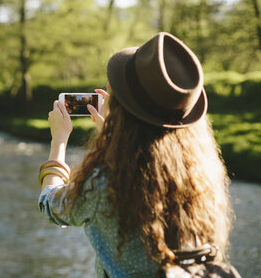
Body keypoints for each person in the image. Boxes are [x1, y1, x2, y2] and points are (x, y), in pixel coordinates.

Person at [38, 32, 233, 277]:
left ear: (122, 111)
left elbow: (51, 205)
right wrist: (115, 137)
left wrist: (59, 141)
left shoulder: (106, 182)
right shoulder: (203, 174)